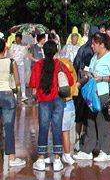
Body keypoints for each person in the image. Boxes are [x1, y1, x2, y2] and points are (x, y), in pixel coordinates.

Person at [73, 32, 110, 162]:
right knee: (90, 120)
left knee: (103, 121)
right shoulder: (94, 57)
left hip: (106, 92)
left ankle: (106, 151)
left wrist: (103, 78)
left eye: (94, 43)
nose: (92, 46)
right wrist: (80, 81)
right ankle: (87, 149)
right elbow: (90, 73)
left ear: (101, 44)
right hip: (93, 94)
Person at [29, 40, 74, 172]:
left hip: (43, 100)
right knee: (57, 128)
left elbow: (32, 84)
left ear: (44, 51)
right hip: (58, 99)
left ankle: (41, 159)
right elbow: (70, 81)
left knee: (43, 128)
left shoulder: (38, 65)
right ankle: (57, 159)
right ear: (55, 51)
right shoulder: (60, 65)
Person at [0, 38, 26, 167]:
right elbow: (17, 81)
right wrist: (17, 94)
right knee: (9, 127)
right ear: (5, 48)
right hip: (7, 94)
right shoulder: (11, 62)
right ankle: (11, 157)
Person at [58, 56, 78, 166]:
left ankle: (62, 155)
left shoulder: (56, 65)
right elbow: (72, 81)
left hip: (59, 101)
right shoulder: (69, 66)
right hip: (69, 101)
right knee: (67, 131)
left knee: (60, 130)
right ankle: (66, 154)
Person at [9, 33, 29, 102]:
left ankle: (23, 94)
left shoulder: (23, 46)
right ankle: (14, 93)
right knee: (14, 79)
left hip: (21, 64)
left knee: (22, 79)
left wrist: (27, 48)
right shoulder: (13, 45)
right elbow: (10, 54)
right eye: (16, 39)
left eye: (18, 39)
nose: (17, 40)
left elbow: (25, 55)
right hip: (14, 63)